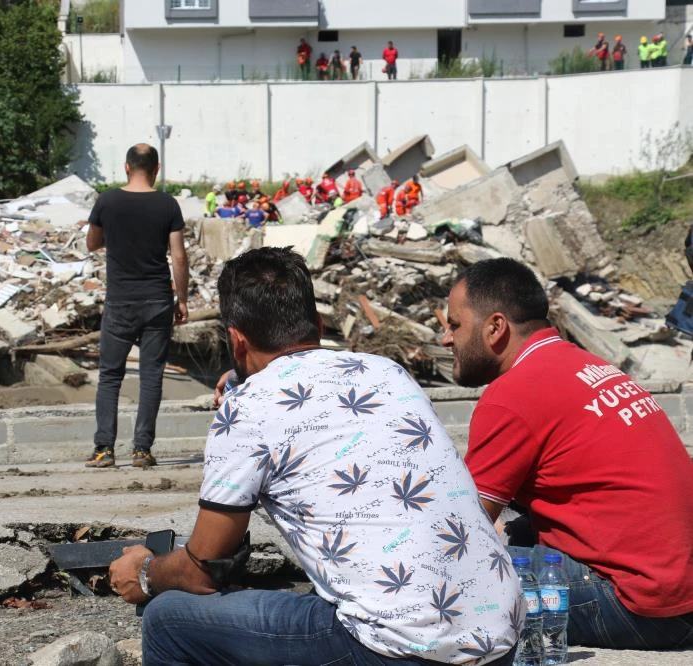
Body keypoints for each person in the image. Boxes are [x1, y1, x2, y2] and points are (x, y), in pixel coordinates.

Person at [109, 247, 521, 666]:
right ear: (319, 326)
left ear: (236, 339)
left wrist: (146, 572)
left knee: (166, 620)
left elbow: (200, 570)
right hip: (499, 638)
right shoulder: (387, 373)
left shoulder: (246, 409)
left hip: (397, 653)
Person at [441, 258, 693, 650]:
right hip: (680, 594)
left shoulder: (512, 396)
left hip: (643, 608)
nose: (445, 338)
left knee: (448, 581)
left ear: (495, 328)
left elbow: (457, 535)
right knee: (515, 529)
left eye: (454, 324)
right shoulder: (587, 365)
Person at [85, 143, 189, 469]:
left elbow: (92, 243)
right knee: (151, 376)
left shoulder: (107, 201)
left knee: (110, 376)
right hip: (158, 299)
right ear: (156, 169)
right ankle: (142, 450)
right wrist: (182, 299)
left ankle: (104, 450)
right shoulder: (168, 204)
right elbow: (180, 256)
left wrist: (114, 235)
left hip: (120, 301)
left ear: (126, 167)